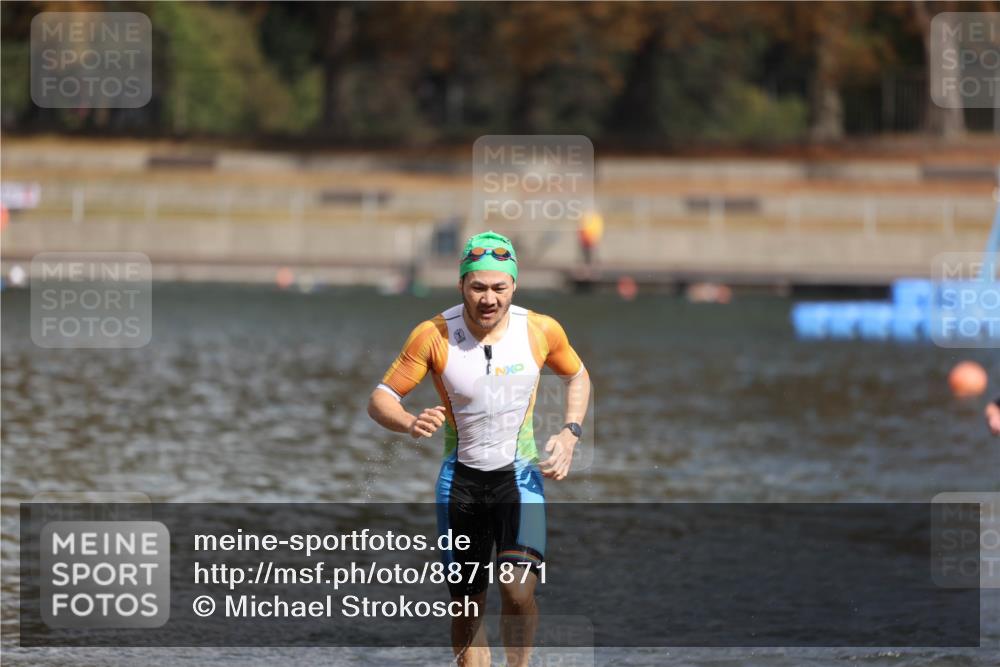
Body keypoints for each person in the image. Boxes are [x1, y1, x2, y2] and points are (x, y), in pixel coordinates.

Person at [367, 231, 591, 667]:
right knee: (466, 608)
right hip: (461, 485)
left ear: (514, 286)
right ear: (462, 287)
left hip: (519, 479)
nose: (489, 298)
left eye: (499, 287)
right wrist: (410, 422)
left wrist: (570, 433)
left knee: (516, 586)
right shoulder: (433, 335)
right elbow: (380, 398)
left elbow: (578, 376)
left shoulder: (541, 330)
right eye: (478, 287)